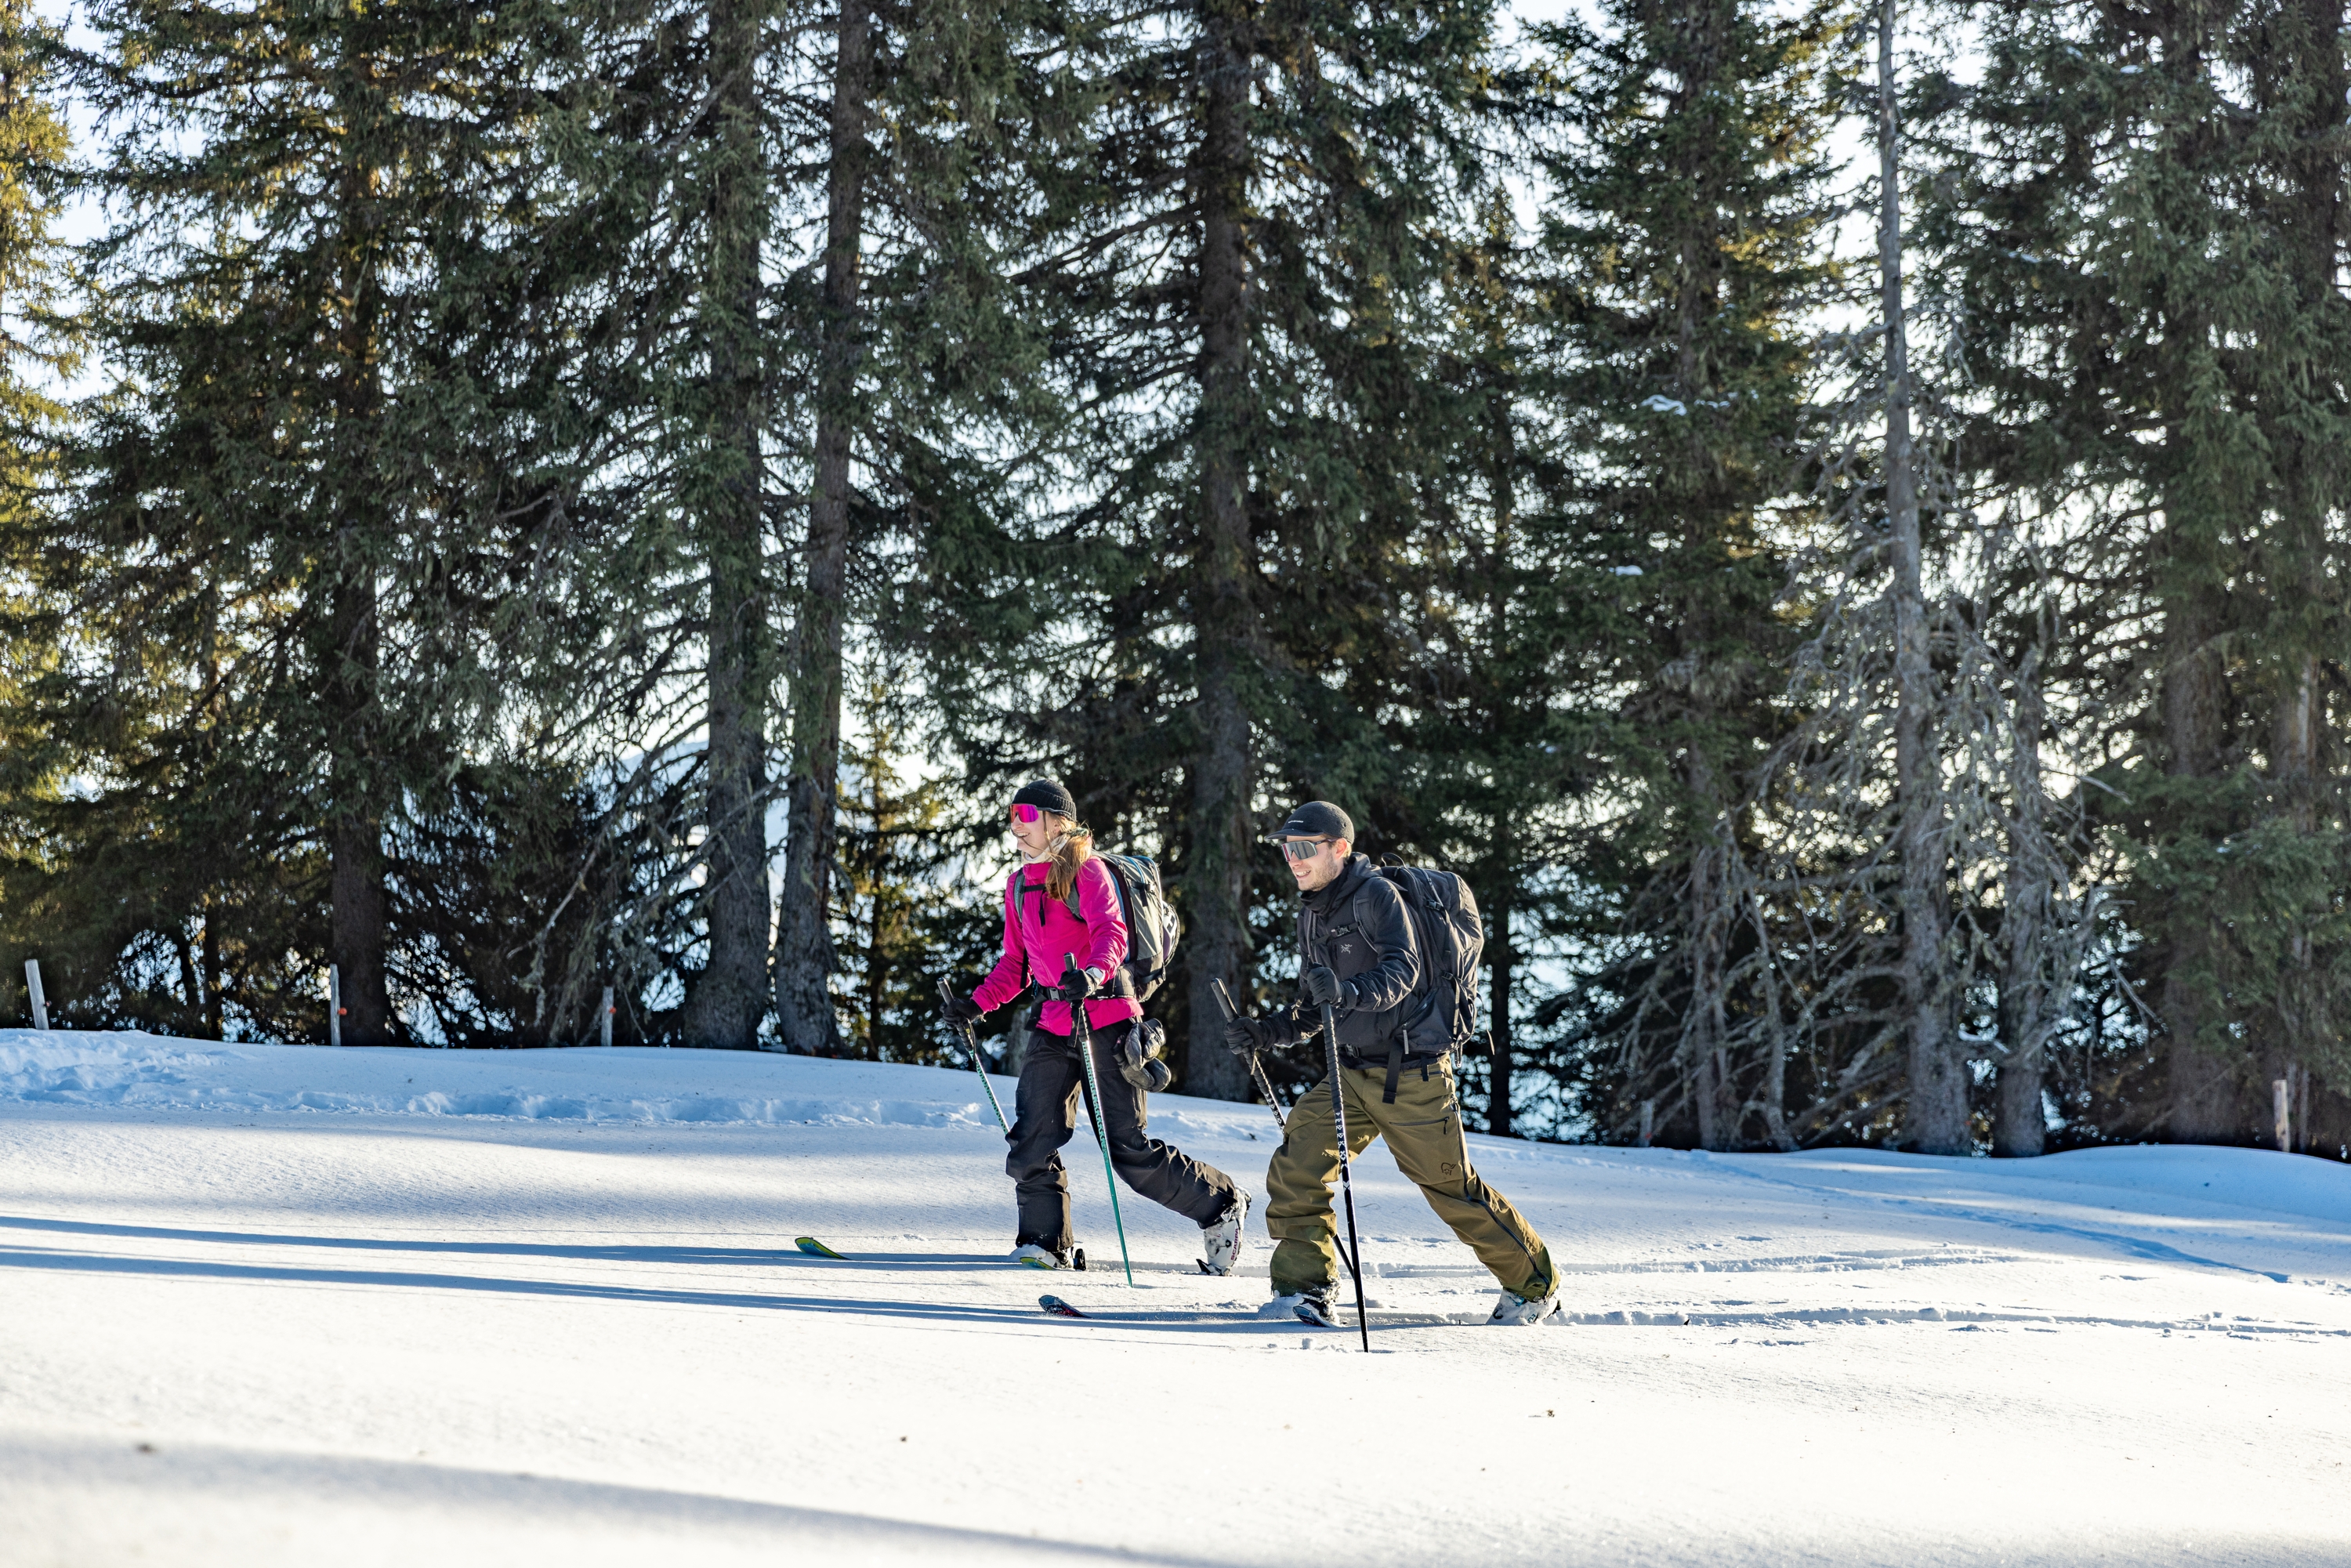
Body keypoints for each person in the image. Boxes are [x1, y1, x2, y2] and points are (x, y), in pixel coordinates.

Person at [1222, 800, 1560, 1326]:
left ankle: (1535, 1284)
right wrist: (1267, 1031)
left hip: (1412, 1076)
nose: (1293, 858)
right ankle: (1304, 1290)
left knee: (1451, 1187)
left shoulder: (1375, 895)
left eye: (1304, 847)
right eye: (1287, 848)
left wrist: (1347, 990)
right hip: (1350, 1072)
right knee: (1297, 1164)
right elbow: (1316, 1005)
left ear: (1339, 848)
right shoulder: (1312, 908)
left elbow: (1403, 971)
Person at [944, 778, 1249, 1273]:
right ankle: (1045, 1243)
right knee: (1030, 1141)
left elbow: (1112, 934)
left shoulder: (1087, 871)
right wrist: (977, 1004)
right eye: (1012, 817)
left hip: (1106, 1018)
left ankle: (1220, 1204)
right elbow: (1016, 964)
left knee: (1127, 1150)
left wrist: (1090, 974)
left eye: (1025, 815)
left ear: (1056, 822)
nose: (1015, 827)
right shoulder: (1019, 884)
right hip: (1053, 1024)